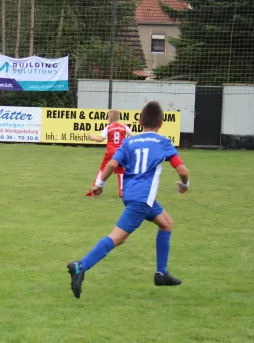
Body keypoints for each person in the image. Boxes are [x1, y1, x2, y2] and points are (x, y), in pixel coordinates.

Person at [67, 101, 190, 299]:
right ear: (161, 123)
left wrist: (99, 185)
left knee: (166, 223)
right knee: (118, 237)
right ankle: (81, 266)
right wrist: (185, 185)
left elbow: (111, 164)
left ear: (140, 121)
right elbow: (183, 170)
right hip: (141, 201)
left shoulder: (129, 142)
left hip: (132, 195)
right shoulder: (164, 142)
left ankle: (161, 273)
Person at [86, 110, 134, 198]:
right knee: (121, 171)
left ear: (110, 119)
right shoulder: (124, 127)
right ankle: (122, 192)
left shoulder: (108, 127)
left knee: (103, 170)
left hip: (110, 152)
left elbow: (100, 139)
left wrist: (92, 137)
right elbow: (133, 137)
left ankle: (94, 189)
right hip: (121, 152)